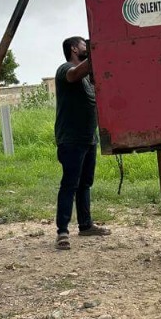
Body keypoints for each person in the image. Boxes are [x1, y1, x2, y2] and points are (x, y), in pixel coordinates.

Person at [54, 36, 110, 250]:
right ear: (74, 48)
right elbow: (74, 74)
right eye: (85, 45)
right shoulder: (65, 69)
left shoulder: (88, 78)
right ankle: (62, 232)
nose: (88, 48)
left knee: (85, 183)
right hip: (71, 140)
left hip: (88, 138)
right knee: (70, 184)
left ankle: (86, 226)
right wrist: (98, 50)